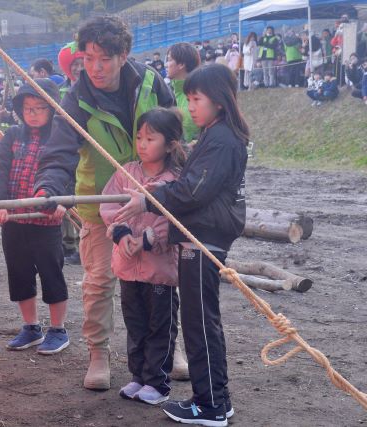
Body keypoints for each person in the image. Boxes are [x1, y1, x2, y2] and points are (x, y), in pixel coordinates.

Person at [34, 15, 174, 391]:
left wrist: (175, 184)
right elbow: (60, 150)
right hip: (102, 204)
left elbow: (175, 132)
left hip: (154, 200)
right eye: (89, 57)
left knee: (162, 278)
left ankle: (166, 352)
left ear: (123, 55)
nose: (95, 67)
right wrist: (49, 187)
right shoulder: (76, 97)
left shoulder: (150, 83)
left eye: (104, 59)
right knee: (99, 282)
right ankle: (98, 353)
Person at [115, 64, 248, 426]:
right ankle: (217, 398)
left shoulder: (220, 139)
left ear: (218, 100)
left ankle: (210, 406)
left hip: (204, 236)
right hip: (199, 234)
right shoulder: (214, 134)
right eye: (188, 99)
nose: (190, 106)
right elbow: (193, 184)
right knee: (200, 320)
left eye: (196, 99)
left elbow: (192, 190)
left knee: (199, 322)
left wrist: (147, 199)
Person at [100, 108, 185, 405]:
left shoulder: (173, 181)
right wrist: (121, 235)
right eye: (139, 137)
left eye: (151, 138)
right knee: (135, 324)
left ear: (171, 143)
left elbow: (175, 218)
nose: (142, 143)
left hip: (159, 268)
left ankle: (158, 382)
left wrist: (148, 241)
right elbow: (108, 206)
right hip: (127, 267)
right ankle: (138, 376)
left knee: (160, 325)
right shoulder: (126, 172)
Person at [0, 78, 70, 355]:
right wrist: (0, 204)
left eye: (40, 108)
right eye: (28, 108)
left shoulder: (60, 138)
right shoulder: (13, 136)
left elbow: (69, 172)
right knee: (20, 274)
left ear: (52, 109)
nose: (33, 113)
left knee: (51, 274)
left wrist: (63, 203)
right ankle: (31, 327)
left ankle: (58, 329)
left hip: (46, 221)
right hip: (14, 221)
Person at [57, 41, 85, 265]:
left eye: (81, 62)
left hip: (86, 152)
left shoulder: (91, 90)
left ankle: (83, 243)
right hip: (68, 152)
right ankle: (68, 243)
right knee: (66, 198)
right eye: (74, 64)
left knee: (84, 200)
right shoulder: (62, 92)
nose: (78, 67)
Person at [166, 42, 201, 142]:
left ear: (181, 64)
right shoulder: (167, 91)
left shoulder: (200, 93)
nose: (166, 64)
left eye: (169, 60)